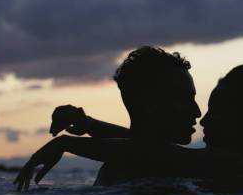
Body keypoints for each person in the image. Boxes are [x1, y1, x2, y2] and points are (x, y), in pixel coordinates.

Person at [14, 64, 243, 190]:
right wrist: (90, 125)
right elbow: (148, 148)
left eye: (217, 111)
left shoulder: (232, 163)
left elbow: (149, 154)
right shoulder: (235, 167)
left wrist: (66, 144)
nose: (203, 118)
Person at [44, 45, 201, 185]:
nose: (197, 112)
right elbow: (147, 150)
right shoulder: (156, 166)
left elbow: (145, 148)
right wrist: (88, 126)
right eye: (184, 99)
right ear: (148, 105)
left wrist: (80, 132)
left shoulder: (120, 166)